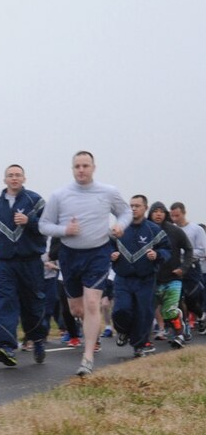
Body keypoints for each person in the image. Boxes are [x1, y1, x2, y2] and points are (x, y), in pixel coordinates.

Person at [39, 151, 132, 376]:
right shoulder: (60, 195)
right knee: (76, 309)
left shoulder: (107, 191)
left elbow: (125, 212)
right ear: (72, 169)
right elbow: (43, 225)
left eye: (85, 166)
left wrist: (120, 225)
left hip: (98, 254)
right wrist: (65, 230)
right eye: (77, 166)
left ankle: (87, 357)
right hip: (70, 256)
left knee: (93, 303)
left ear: (93, 167)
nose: (81, 170)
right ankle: (89, 329)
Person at [0, 164, 49, 367]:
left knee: (32, 304)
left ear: (24, 178)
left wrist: (29, 221)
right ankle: (6, 346)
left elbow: (46, 227)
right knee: (5, 302)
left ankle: (37, 339)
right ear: (5, 180)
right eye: (10, 176)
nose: (14, 179)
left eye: (17, 175)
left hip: (30, 261)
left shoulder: (35, 201)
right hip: (4, 263)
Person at [110, 195, 170, 358]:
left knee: (143, 312)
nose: (134, 208)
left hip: (146, 278)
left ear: (145, 208)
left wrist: (157, 254)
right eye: (131, 206)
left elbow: (167, 250)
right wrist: (111, 254)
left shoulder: (154, 230)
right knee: (121, 309)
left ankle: (139, 345)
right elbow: (107, 247)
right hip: (123, 278)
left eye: (137, 205)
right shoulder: (120, 229)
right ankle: (122, 330)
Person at [148, 201, 192, 349]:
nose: (158, 214)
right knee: (150, 309)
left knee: (170, 310)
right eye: (155, 211)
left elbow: (188, 249)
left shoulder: (174, 231)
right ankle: (144, 338)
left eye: (161, 211)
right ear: (150, 213)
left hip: (173, 277)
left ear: (165, 214)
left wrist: (183, 268)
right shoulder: (145, 230)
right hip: (152, 278)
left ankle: (179, 335)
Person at [169, 202, 206, 338]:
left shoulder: (196, 229)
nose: (174, 219)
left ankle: (201, 316)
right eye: (172, 216)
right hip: (176, 268)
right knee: (177, 299)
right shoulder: (172, 230)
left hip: (192, 267)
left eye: (177, 215)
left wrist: (185, 252)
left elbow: (203, 251)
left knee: (191, 298)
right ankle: (183, 330)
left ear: (184, 213)